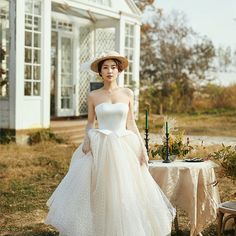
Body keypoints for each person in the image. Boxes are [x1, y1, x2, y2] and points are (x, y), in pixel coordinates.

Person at [45, 51, 175, 236]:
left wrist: (142, 148)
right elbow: (90, 122)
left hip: (124, 145)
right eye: (105, 67)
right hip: (101, 145)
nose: (109, 71)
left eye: (113, 67)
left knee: (125, 191)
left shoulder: (127, 93)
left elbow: (131, 122)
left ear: (119, 70)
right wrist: (86, 140)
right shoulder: (93, 95)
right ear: (100, 72)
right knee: (101, 190)